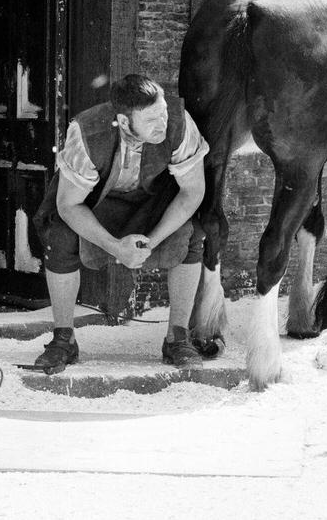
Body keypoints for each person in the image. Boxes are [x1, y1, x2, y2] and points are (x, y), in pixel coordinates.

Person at [30, 73, 208, 374]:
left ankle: (177, 338)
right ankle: (64, 339)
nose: (162, 123)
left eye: (163, 112)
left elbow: (193, 192)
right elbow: (68, 205)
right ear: (125, 122)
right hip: (94, 204)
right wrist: (114, 246)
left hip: (152, 203)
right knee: (59, 236)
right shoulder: (86, 132)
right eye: (151, 119)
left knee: (191, 234)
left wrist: (151, 241)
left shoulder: (179, 122)